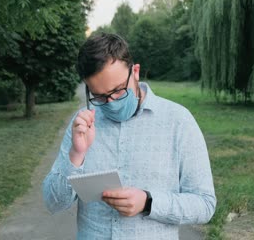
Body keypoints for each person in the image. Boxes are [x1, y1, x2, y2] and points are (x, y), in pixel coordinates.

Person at [42, 33, 216, 239]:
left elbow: (205, 204)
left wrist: (148, 202)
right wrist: (76, 155)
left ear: (135, 72)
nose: (111, 102)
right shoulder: (82, 124)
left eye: (117, 91)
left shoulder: (178, 121)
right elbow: (54, 202)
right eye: (99, 96)